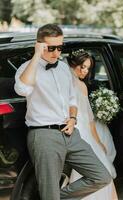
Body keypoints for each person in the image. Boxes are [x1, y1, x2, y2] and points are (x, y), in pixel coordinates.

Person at [14, 24, 111, 200]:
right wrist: (37, 56)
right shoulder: (27, 68)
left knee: (101, 176)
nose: (56, 53)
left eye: (60, 47)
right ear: (39, 45)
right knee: (49, 190)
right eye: (51, 48)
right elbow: (22, 89)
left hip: (70, 133)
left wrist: (73, 118)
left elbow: (72, 99)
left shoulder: (64, 68)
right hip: (44, 135)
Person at [67, 49, 118, 200]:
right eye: (82, 66)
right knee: (101, 173)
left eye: (88, 68)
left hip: (72, 130)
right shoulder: (80, 86)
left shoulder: (61, 82)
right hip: (82, 132)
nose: (85, 71)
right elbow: (89, 120)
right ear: (72, 64)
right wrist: (98, 142)